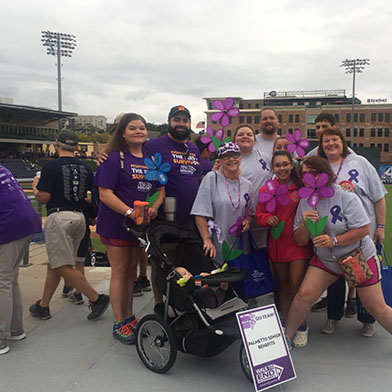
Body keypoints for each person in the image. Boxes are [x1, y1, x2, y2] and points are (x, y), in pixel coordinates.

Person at [285, 156, 392, 348]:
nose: (311, 178)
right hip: (327, 261)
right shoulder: (305, 200)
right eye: (306, 175)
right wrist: (303, 224)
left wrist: (333, 240)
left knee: (376, 308)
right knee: (303, 295)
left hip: (356, 256)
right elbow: (300, 240)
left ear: (326, 174)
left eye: (315, 173)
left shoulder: (345, 196)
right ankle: (286, 338)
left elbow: (363, 230)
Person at [96, 113, 165, 344]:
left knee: (131, 274)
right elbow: (105, 194)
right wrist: (129, 212)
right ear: (123, 132)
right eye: (133, 128)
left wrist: (153, 208)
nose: (138, 131)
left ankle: (129, 318)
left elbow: (160, 190)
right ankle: (119, 322)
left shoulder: (151, 158)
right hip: (116, 224)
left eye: (142, 128)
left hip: (139, 226)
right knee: (120, 271)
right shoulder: (114, 158)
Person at [30, 131, 110, 322]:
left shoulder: (50, 165)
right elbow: (91, 195)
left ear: (57, 143)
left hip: (59, 217)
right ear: (76, 147)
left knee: (62, 264)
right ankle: (43, 306)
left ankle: (97, 299)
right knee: (55, 264)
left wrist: (35, 186)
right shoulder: (84, 167)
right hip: (80, 219)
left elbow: (43, 197)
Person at [317, 128, 387, 337]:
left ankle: (367, 319)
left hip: (360, 233)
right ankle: (334, 316)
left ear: (343, 142)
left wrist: (381, 227)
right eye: (326, 141)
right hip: (332, 234)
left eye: (334, 139)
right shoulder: (321, 166)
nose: (330, 143)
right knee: (336, 279)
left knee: (363, 277)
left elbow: (378, 197)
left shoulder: (360, 162)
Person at [255, 151, 313, 347]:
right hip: (277, 245)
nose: (282, 169)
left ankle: (302, 325)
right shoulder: (267, 188)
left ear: (292, 165)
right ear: (273, 168)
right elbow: (259, 214)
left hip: (298, 244)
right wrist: (266, 219)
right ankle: (288, 324)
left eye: (285, 164)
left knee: (296, 285)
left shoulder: (302, 186)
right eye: (278, 165)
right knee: (283, 286)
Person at [309, 113, 355, 313]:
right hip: (327, 220)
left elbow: (376, 195)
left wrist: (380, 225)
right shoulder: (314, 156)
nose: (320, 131)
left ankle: (353, 301)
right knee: (332, 264)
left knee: (355, 266)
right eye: (318, 127)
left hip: (352, 219)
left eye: (325, 127)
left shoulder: (353, 158)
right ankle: (333, 305)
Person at [0, 165, 42, 355]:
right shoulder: (3, 168)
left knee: (2, 282)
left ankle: (1, 338)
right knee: (10, 279)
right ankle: (16, 329)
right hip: (26, 223)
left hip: (9, 226)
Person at [191, 142, 253, 265]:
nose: (231, 159)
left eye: (235, 155)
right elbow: (199, 212)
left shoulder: (248, 185)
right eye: (226, 156)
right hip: (216, 244)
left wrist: (248, 221)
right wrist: (206, 239)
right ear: (220, 160)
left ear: (240, 158)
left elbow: (250, 213)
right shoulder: (211, 178)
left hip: (238, 243)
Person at [144, 105, 203, 227]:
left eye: (185, 120)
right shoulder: (153, 145)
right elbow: (131, 150)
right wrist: (107, 152)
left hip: (191, 219)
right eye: (177, 120)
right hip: (164, 218)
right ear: (169, 122)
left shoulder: (193, 148)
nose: (181, 124)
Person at [233, 125, 272, 249]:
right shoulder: (229, 161)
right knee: (240, 250)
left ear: (254, 140)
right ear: (234, 140)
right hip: (239, 216)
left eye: (249, 134)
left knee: (261, 250)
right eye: (240, 134)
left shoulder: (265, 158)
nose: (245, 136)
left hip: (262, 214)